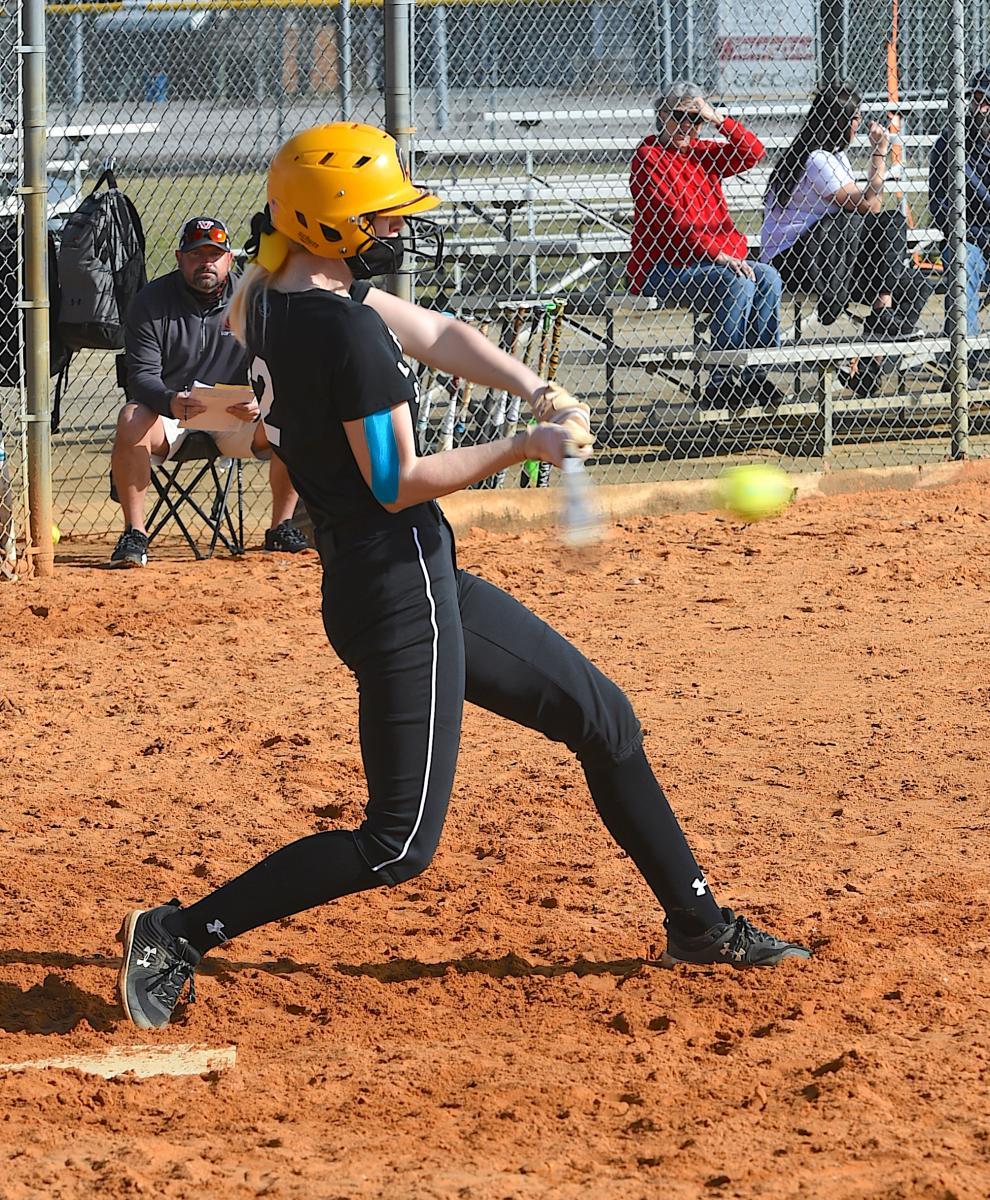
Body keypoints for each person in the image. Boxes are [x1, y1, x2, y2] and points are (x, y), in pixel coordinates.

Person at [115, 123, 810, 1031]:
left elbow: (440, 331)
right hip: (398, 593)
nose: (391, 229)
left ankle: (698, 923)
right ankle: (178, 931)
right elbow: (398, 483)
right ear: (325, 226)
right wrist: (525, 444)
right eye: (374, 218)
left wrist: (534, 387)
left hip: (408, 581)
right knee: (397, 841)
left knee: (604, 720)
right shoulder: (345, 334)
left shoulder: (270, 295)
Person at [108, 216, 308, 567]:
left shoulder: (255, 299)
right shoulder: (151, 302)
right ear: (179, 257)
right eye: (197, 254)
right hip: (172, 414)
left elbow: (282, 364)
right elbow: (141, 377)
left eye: (215, 254)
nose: (206, 262)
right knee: (131, 417)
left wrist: (259, 401)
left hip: (237, 416)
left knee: (293, 415)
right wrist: (170, 401)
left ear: (230, 259)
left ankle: (280, 528)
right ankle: (134, 535)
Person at [762, 83, 933, 395]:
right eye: (856, 117)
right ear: (840, 121)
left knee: (916, 282)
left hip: (832, 262)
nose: (860, 123)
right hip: (792, 261)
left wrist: (877, 156)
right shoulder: (816, 159)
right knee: (846, 219)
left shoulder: (835, 157)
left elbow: (875, 206)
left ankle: (864, 363)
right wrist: (879, 153)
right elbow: (866, 205)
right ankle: (857, 307)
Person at [628, 82, 785, 410]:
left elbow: (753, 152)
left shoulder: (702, 153)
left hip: (713, 263)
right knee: (737, 280)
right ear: (662, 116)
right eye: (679, 116)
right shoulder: (649, 157)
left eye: (693, 119)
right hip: (664, 268)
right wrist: (720, 255)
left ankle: (755, 375)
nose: (687, 126)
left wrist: (716, 118)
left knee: (768, 276)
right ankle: (722, 380)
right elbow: (674, 222)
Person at [930, 68, 990, 353]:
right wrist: (978, 233)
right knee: (964, 260)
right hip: (971, 239)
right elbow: (939, 207)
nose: (980, 108)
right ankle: (966, 355)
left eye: (987, 101)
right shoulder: (950, 144)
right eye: (976, 99)